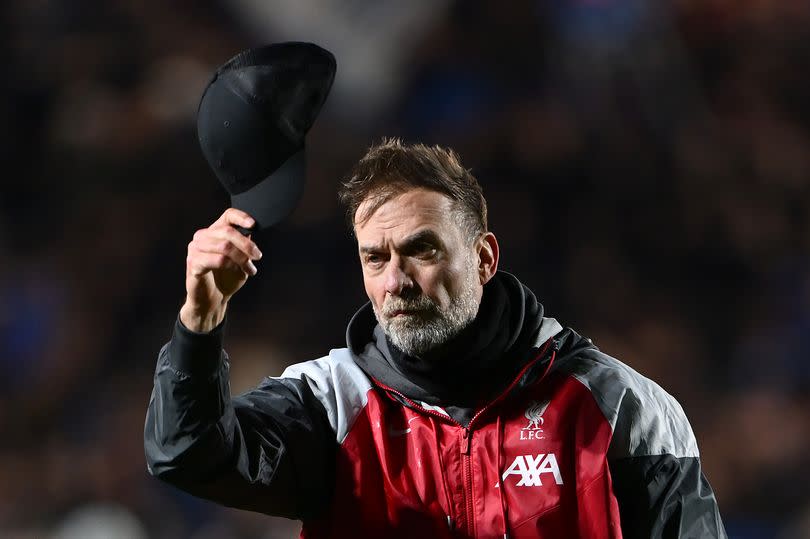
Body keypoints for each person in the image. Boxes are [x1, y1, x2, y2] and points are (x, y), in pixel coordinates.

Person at [144, 139, 727, 538]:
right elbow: (188, 456)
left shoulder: (621, 407)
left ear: (484, 257)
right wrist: (202, 314)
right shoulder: (328, 408)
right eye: (375, 258)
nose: (396, 280)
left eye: (421, 249)